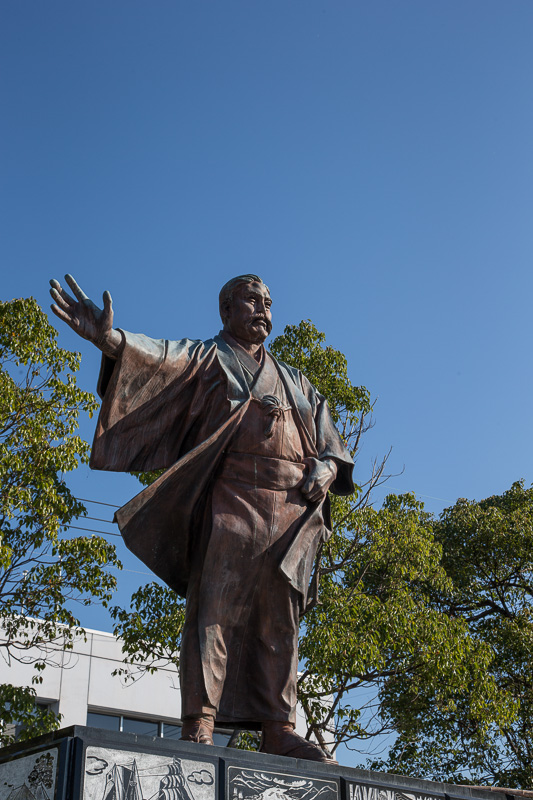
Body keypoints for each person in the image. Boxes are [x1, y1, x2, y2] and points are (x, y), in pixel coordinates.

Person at [50, 273, 354, 763]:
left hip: (293, 510)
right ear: (226, 311)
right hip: (231, 498)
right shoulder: (210, 357)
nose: (263, 309)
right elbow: (162, 357)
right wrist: (110, 339)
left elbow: (331, 441)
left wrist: (327, 466)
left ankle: (279, 727)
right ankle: (200, 724)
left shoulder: (297, 380)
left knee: (281, 623)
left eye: (269, 302)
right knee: (212, 610)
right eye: (252, 300)